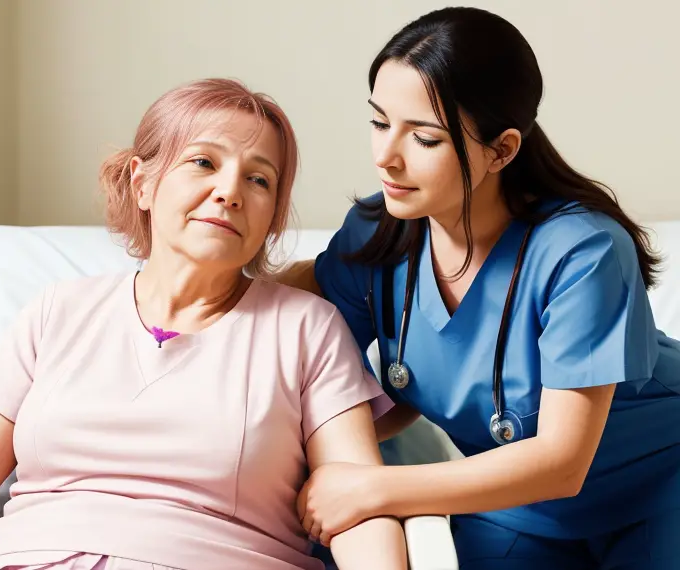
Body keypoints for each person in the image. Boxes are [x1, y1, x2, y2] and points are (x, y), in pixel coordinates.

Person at [0, 78, 408, 570]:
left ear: (272, 217)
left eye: (259, 180)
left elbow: (357, 506)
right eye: (203, 162)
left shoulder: (306, 329)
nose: (229, 191)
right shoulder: (56, 312)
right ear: (142, 183)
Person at [279, 7, 680, 570]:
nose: (385, 157)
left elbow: (563, 462)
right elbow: (340, 388)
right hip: (514, 507)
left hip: (660, 482)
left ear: (502, 150)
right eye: (378, 122)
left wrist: (373, 489)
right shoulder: (376, 235)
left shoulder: (583, 252)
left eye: (423, 137)